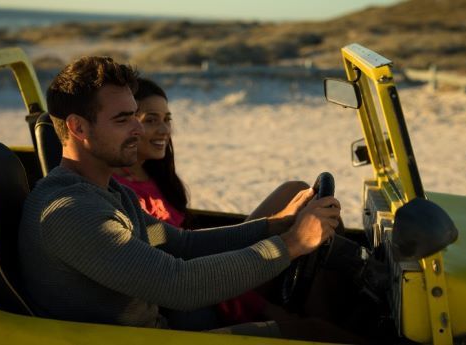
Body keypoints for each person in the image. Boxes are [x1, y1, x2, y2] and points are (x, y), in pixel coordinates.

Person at [18, 56, 346, 340]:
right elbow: (179, 284)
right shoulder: (72, 213)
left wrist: (274, 225)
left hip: (168, 324)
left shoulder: (109, 192)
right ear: (78, 128)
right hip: (147, 337)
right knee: (318, 334)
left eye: (135, 115)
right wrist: (291, 244)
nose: (138, 128)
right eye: (122, 119)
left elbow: (179, 244)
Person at [112, 77, 309, 326]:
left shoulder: (154, 175)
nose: (164, 130)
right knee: (296, 195)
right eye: (151, 120)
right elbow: (177, 261)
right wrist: (266, 308)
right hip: (196, 286)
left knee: (302, 196)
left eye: (167, 119)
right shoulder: (120, 192)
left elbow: (187, 239)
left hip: (204, 266)